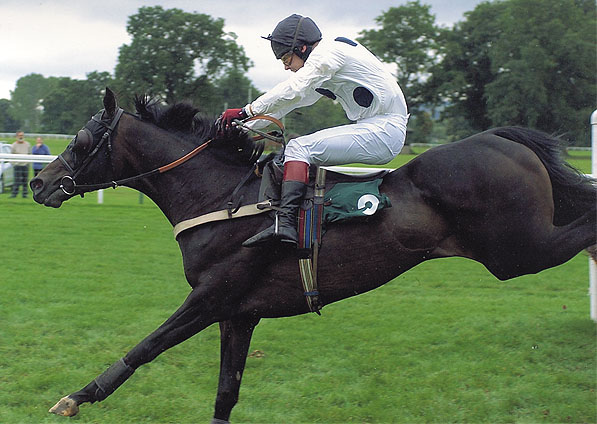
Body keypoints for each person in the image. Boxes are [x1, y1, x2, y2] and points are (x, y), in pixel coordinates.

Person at [219, 14, 408, 248]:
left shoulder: (329, 53)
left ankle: (286, 223)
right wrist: (242, 126)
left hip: (384, 130)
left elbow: (293, 89)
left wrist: (246, 110)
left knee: (300, 147)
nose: (286, 66)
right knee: (294, 151)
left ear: (303, 48)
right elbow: (290, 102)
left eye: (287, 58)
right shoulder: (325, 65)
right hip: (376, 128)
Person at [10, 131, 31, 198]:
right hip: (17, 165)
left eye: (22, 135)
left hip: (25, 165)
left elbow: (29, 154)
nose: (21, 137)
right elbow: (11, 155)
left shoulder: (27, 144)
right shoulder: (14, 145)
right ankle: (14, 194)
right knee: (17, 180)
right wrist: (14, 163)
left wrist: (28, 163)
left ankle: (24, 194)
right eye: (19, 135)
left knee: (25, 180)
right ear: (17, 136)